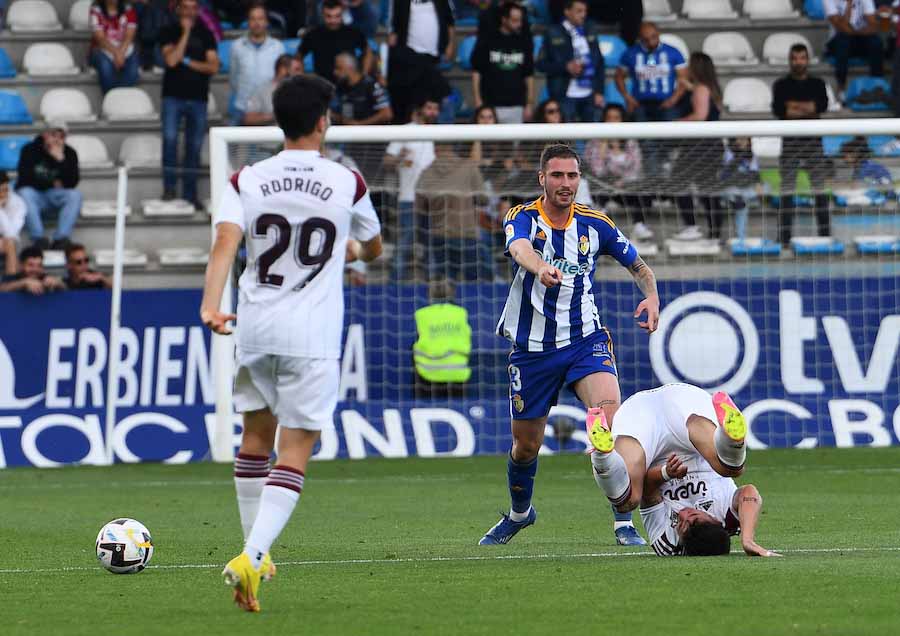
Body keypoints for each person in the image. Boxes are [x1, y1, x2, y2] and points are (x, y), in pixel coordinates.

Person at [201, 74, 383, 613]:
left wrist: (211, 303)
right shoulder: (346, 181)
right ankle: (253, 555)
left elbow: (225, 243)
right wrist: (348, 252)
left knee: (255, 436)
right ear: (323, 119)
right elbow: (373, 248)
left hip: (254, 325)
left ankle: (255, 552)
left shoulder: (247, 178)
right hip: (312, 334)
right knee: (297, 447)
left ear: (279, 121)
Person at [479, 143, 660, 547]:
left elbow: (639, 265)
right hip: (532, 349)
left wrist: (651, 295)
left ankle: (623, 520)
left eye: (572, 176)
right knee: (525, 447)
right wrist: (539, 266)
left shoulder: (596, 224)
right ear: (542, 179)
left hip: (585, 340)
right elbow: (518, 247)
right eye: (557, 175)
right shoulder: (522, 216)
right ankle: (520, 514)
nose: (566, 184)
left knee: (609, 424)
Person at [587, 383, 779, 557]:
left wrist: (665, 473)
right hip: (685, 410)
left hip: (642, 421)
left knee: (628, 501)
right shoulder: (728, 518)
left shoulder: (668, 543)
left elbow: (648, 494)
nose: (684, 515)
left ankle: (602, 454)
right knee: (731, 469)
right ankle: (732, 438)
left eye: (682, 525)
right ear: (715, 522)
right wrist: (747, 540)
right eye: (694, 517)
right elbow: (749, 493)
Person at [160, 0, 219, 209]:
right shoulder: (168, 31)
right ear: (178, 9)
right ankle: (169, 189)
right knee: (169, 140)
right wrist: (185, 34)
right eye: (186, 7)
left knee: (193, 147)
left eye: (194, 8)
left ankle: (190, 193)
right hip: (172, 97)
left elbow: (213, 66)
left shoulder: (206, 33)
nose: (190, 12)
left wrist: (190, 63)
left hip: (198, 98)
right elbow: (171, 61)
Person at [772, 43, 831, 247]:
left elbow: (821, 106)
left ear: (808, 60)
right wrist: (808, 108)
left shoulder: (818, 83)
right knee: (787, 192)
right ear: (790, 60)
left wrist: (794, 106)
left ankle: (825, 236)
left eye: (802, 58)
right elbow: (781, 110)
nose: (798, 62)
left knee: (819, 191)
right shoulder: (780, 85)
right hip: (790, 144)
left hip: (813, 144)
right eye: (795, 58)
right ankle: (784, 238)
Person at [616, 21, 687, 176]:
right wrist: (627, 97)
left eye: (654, 37)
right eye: (646, 39)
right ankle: (652, 176)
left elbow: (683, 80)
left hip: (666, 103)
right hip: (641, 104)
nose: (651, 42)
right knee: (646, 142)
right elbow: (619, 77)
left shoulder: (673, 52)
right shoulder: (631, 54)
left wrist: (674, 99)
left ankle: (667, 173)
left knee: (669, 138)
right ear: (640, 38)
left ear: (658, 34)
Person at [415, 142, 494, 281]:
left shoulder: (426, 172)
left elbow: (419, 208)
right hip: (466, 233)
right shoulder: (469, 167)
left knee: (444, 283)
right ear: (452, 147)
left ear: (435, 149)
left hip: (438, 235)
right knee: (474, 284)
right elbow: (484, 199)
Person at [383, 97, 438, 279]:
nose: (433, 112)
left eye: (435, 109)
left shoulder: (441, 133)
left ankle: (433, 283)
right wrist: (400, 157)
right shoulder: (405, 131)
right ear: (419, 110)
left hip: (432, 199)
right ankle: (395, 281)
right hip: (408, 198)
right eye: (429, 107)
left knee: (430, 243)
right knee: (405, 242)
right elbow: (387, 161)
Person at [671, 52, 724, 241]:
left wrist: (676, 122)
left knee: (680, 180)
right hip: (708, 146)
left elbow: (700, 116)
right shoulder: (709, 88)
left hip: (702, 147)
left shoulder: (702, 88)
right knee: (705, 187)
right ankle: (713, 231)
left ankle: (694, 226)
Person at [584, 103, 651, 240]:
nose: (612, 121)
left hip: (626, 187)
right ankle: (602, 229)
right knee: (601, 186)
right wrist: (603, 146)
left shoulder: (630, 143)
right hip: (603, 187)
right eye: (609, 118)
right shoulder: (595, 143)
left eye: (616, 118)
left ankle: (639, 226)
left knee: (641, 192)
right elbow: (597, 171)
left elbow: (636, 168)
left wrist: (622, 181)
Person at [387, 0, 455, 124]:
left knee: (442, 95)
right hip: (409, 56)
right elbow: (394, 27)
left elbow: (449, 21)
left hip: (434, 56)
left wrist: (450, 45)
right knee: (411, 98)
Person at [16, 122, 82, 251]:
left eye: (61, 136)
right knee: (24, 192)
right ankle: (38, 238)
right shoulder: (29, 149)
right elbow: (24, 179)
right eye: (53, 135)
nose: (57, 139)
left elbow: (72, 183)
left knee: (75, 195)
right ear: (44, 134)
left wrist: (61, 160)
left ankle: (60, 239)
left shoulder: (70, 153)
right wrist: (52, 183)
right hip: (35, 196)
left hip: (54, 196)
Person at [537, 0, 605, 123]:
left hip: (590, 93)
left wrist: (599, 91)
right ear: (567, 12)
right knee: (565, 138)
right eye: (579, 11)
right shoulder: (552, 32)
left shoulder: (590, 29)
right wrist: (565, 67)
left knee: (592, 137)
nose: (583, 14)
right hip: (564, 95)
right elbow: (541, 65)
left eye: (585, 11)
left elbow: (599, 62)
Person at [470, 1, 535, 124]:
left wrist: (529, 104)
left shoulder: (524, 42)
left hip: (516, 105)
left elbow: (529, 74)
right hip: (490, 105)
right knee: (489, 143)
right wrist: (478, 100)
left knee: (514, 143)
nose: (519, 24)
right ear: (504, 19)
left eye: (520, 20)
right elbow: (476, 71)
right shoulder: (487, 40)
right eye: (515, 20)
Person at [228, 3, 285, 126]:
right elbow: (233, 77)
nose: (257, 22)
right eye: (253, 18)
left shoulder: (278, 47)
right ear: (248, 22)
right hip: (241, 108)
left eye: (260, 18)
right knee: (237, 145)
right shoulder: (237, 46)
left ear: (266, 22)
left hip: (269, 110)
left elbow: (281, 77)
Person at [413, 280, 472, 396]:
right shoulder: (461, 313)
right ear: (452, 294)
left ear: (429, 295)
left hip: (427, 375)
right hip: (458, 374)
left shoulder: (421, 314)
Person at [298, 0, 372, 84]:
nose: (333, 20)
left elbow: (368, 52)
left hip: (349, 86)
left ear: (342, 14)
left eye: (337, 16)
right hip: (322, 85)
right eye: (328, 16)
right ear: (322, 15)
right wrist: (302, 77)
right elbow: (298, 57)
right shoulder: (313, 34)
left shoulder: (353, 32)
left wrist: (363, 75)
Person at [824, 0, 882, 96]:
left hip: (859, 39)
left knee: (876, 42)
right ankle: (841, 87)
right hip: (836, 42)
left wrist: (855, 32)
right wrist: (849, 4)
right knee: (843, 39)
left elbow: (873, 26)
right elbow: (842, 27)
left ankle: (877, 85)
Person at [89, 0, 140, 94]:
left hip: (124, 47)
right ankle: (110, 98)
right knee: (105, 67)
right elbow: (100, 38)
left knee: (133, 68)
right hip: (102, 49)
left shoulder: (128, 8)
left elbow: (129, 35)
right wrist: (116, 53)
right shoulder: (96, 9)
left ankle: (122, 98)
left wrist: (121, 53)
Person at [718, 137, 759, 243]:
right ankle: (736, 236)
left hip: (744, 189)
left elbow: (755, 176)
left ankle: (740, 237)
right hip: (729, 187)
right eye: (739, 139)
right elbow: (724, 176)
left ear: (749, 142)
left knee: (742, 201)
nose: (741, 142)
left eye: (744, 139)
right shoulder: (728, 153)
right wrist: (737, 159)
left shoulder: (752, 156)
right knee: (738, 198)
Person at [243, 54, 301, 125]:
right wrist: (276, 116)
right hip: (272, 134)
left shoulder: (302, 91)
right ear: (282, 69)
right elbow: (249, 118)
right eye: (297, 69)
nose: (300, 73)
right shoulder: (262, 90)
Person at [0, 245, 65, 294]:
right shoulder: (11, 278)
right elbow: (2, 288)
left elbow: (68, 288)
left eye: (39, 265)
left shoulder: (46, 278)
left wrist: (59, 284)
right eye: (30, 265)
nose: (35, 269)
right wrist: (23, 283)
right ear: (21, 265)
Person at [0, 171, 26, 275]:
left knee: (10, 243)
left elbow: (11, 233)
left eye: (5, 190)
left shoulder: (18, 203)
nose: (3, 194)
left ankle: (10, 280)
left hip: (7, 241)